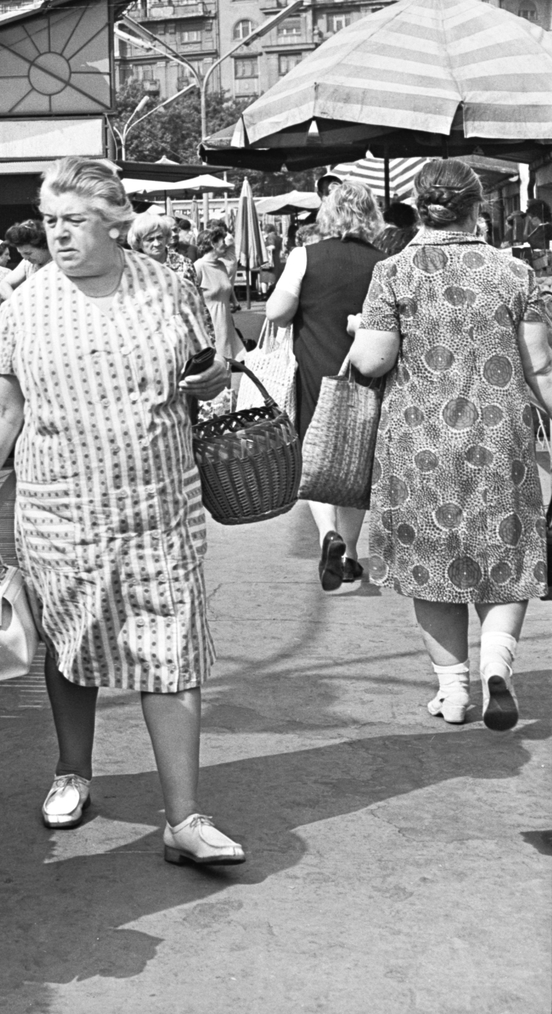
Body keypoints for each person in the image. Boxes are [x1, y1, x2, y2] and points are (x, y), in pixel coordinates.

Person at [0, 157, 241, 866]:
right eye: (51, 221)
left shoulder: (168, 289)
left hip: (159, 505)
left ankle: (184, 818)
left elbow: (207, 378)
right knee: (70, 643)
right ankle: (73, 771)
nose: (58, 235)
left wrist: (212, 377)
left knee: (170, 650)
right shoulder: (24, 304)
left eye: (75, 221)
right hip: (60, 508)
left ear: (114, 221)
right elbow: (3, 405)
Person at [347, 160, 550, 730]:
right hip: (500, 435)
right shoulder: (514, 273)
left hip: (419, 442)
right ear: (477, 205)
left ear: (419, 206)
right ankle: (497, 668)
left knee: (431, 561)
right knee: (505, 556)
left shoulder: (393, 272)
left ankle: (454, 692)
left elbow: (372, 360)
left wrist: (358, 333)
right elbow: (540, 366)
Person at [264, 181, 385, 589]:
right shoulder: (385, 263)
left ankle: (326, 535)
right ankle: (350, 553)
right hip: (366, 372)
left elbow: (277, 313)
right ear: (371, 215)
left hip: (316, 369)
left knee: (316, 457)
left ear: (327, 214)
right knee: (356, 462)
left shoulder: (304, 256)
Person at [193, 223, 244, 361]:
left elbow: (225, 285)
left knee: (229, 368)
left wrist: (233, 300)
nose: (226, 245)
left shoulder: (221, 265)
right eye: (222, 240)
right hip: (211, 327)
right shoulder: (198, 267)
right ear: (212, 244)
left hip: (226, 324)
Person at [128, 211, 196, 287]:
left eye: (160, 237)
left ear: (166, 237)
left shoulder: (184, 264)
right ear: (138, 242)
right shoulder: (131, 266)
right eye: (150, 239)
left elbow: (195, 296)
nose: (156, 244)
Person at [0, 218, 52, 300]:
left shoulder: (57, 265)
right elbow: (4, 285)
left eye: (28, 253)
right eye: (21, 254)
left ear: (44, 247)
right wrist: (18, 305)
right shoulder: (28, 263)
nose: (25, 258)